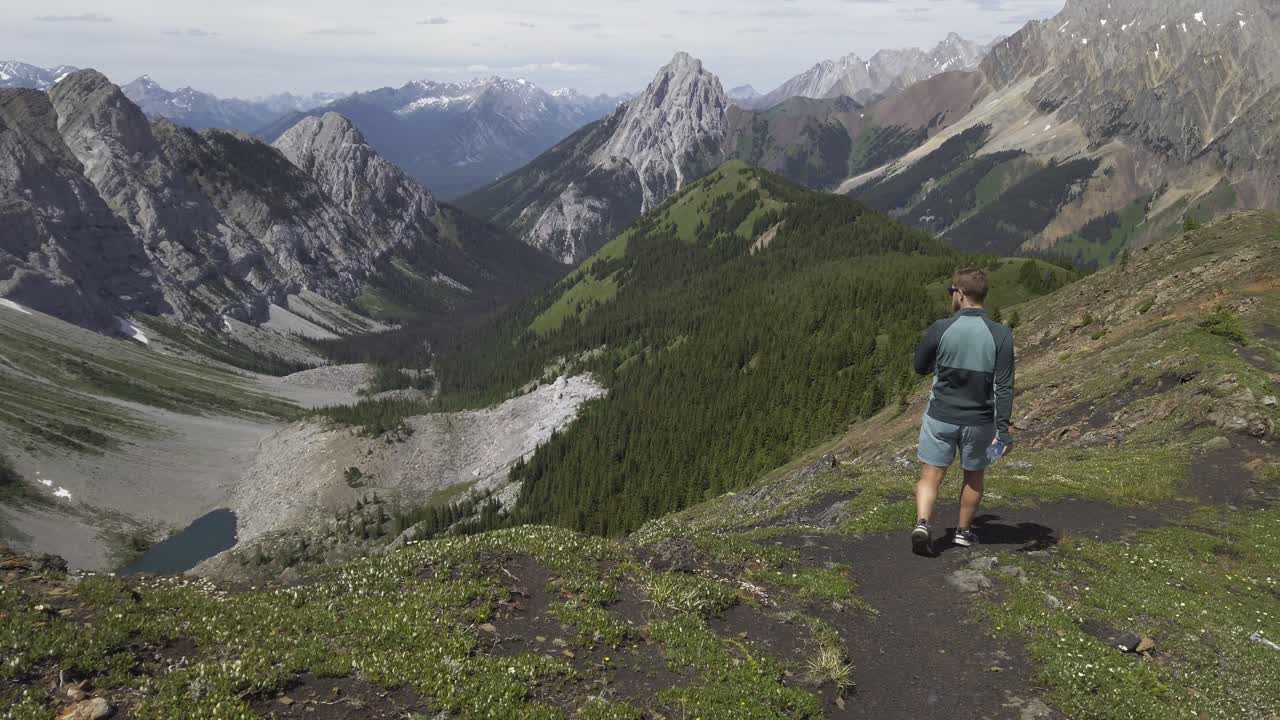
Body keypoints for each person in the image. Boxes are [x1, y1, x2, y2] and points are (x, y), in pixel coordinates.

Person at [909, 269, 1014, 555]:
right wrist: (1003, 432)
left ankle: (923, 523)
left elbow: (919, 367)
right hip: (980, 421)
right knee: (974, 476)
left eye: (951, 292)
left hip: (940, 416)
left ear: (961, 294)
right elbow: (1004, 387)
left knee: (931, 475)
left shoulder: (941, 328)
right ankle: (963, 532)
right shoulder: (1001, 334)